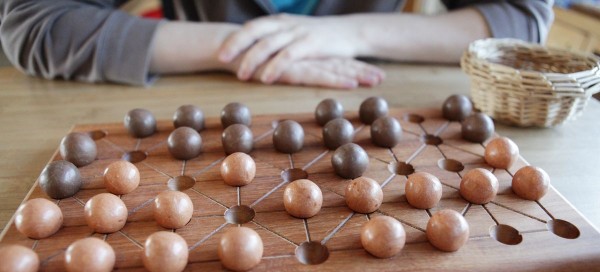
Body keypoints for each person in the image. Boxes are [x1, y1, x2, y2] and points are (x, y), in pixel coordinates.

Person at [0, 0, 553, 88]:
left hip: (365, 90)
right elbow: (33, 21)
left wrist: (348, 33)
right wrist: (244, 45)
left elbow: (522, 19)